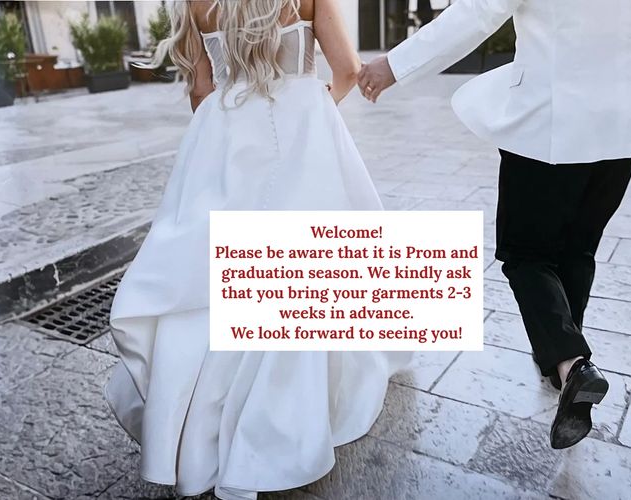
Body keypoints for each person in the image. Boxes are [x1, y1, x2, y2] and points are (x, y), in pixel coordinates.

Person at [358, 0, 631, 449]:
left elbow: (476, 13)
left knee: (525, 252)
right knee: (578, 247)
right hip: (624, 125)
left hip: (550, 119)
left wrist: (393, 66)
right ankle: (560, 363)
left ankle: (571, 363)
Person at [104, 1, 410, 498]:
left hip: (223, 136)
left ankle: (191, 430)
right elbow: (348, 70)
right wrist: (308, 114)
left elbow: (201, 91)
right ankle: (278, 428)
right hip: (302, 131)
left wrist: (234, 115)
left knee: (208, 274)